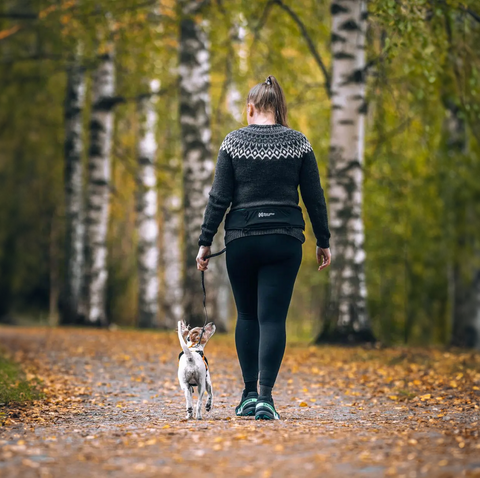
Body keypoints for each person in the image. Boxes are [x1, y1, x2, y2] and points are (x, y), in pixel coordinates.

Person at [196, 75, 331, 420]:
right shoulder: (298, 143)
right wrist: (324, 241)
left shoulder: (233, 142)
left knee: (247, 316)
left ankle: (248, 395)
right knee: (273, 319)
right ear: (279, 109)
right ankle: (266, 399)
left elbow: (219, 198)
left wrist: (204, 242)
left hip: (242, 238)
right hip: (285, 238)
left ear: (251, 108)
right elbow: (314, 198)